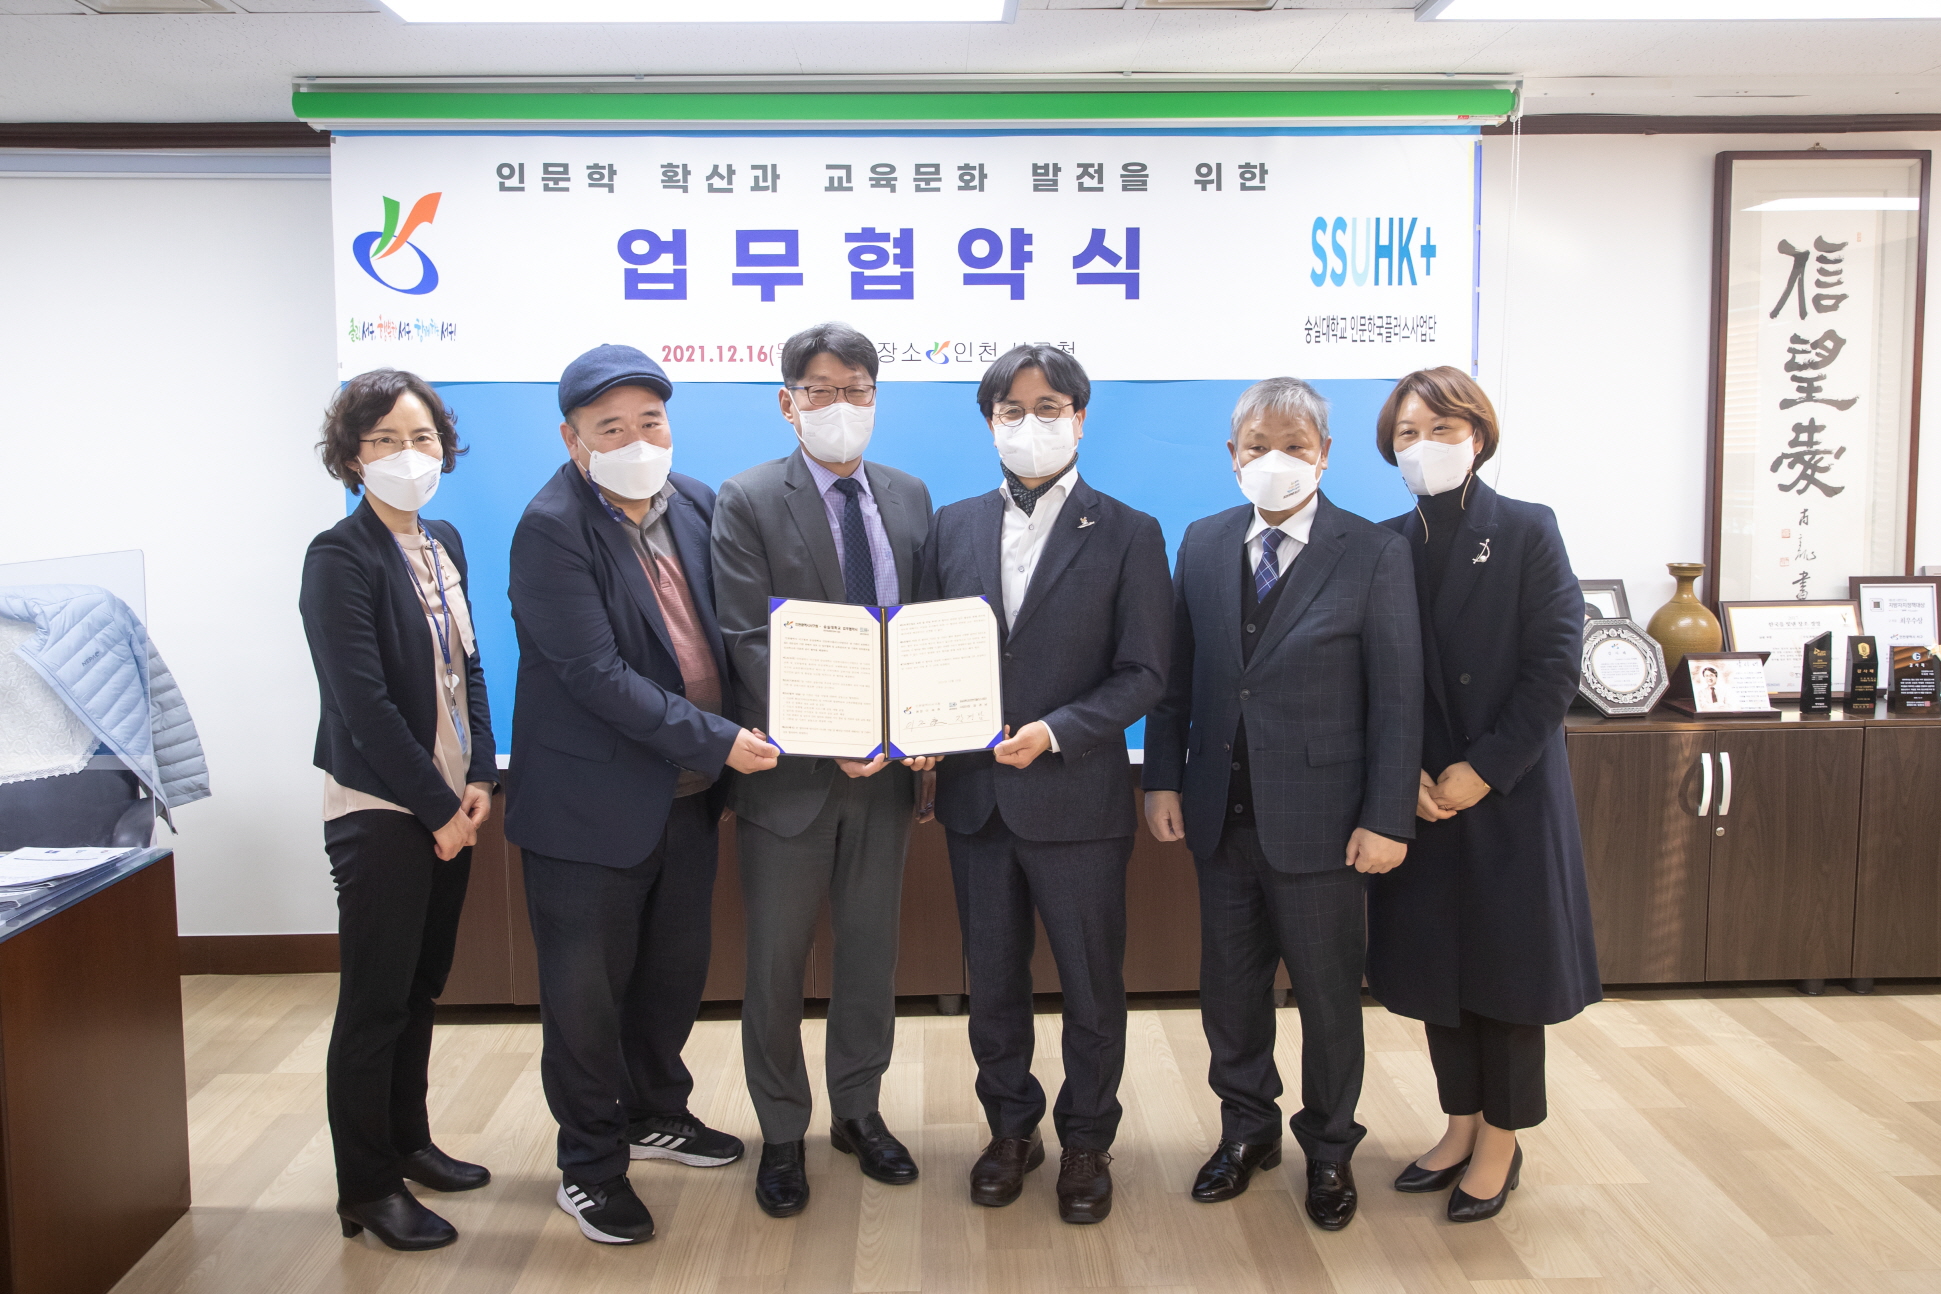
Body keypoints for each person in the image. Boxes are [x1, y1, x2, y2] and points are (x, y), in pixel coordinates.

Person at [506, 344, 781, 1246]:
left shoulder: (696, 502)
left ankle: (655, 1111)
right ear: (572, 438)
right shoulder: (550, 528)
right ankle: (589, 1167)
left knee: (670, 975)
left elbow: (737, 635)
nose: (636, 441)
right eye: (610, 428)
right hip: (587, 812)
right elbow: (594, 675)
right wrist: (721, 739)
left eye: (650, 422)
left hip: (687, 795)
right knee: (585, 999)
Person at [1143, 376, 1421, 1231]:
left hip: (1327, 825)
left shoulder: (1371, 552)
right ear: (1232, 455)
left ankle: (1329, 1148)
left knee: (1328, 999)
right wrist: (1161, 778)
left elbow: (1397, 699)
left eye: (1294, 446)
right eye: (1258, 446)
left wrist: (1386, 816)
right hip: (1219, 814)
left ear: (1324, 455)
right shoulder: (1202, 541)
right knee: (1229, 994)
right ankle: (1245, 1131)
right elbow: (1176, 679)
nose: (1276, 460)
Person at [918, 345, 1171, 1225]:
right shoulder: (950, 526)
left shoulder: (1130, 531)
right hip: (976, 799)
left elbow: (1145, 672)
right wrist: (917, 732)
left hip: (1077, 797)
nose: (1031, 424)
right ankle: (1009, 1130)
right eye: (1011, 410)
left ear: (1080, 418)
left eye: (1049, 407)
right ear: (989, 423)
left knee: (1092, 985)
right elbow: (923, 652)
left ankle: (1088, 1140)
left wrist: (1057, 731)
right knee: (991, 981)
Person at [1364, 366, 1600, 1223]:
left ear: (1477, 436)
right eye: (1406, 434)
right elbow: (1374, 672)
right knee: (1439, 972)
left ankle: (1501, 1140)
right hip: (1420, 795)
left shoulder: (1527, 529)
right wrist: (1406, 776)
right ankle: (1459, 1123)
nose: (1422, 446)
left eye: (1440, 429)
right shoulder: (1384, 543)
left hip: (1507, 794)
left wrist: (1483, 769)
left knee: (1506, 978)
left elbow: (1554, 666)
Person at [711, 322, 936, 1218]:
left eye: (857, 390)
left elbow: (926, 629)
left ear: (876, 398)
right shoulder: (747, 498)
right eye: (821, 390)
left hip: (887, 778)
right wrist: (832, 729)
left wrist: (926, 723)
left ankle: (857, 1111)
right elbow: (746, 638)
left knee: (870, 954)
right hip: (791, 778)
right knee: (775, 962)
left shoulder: (910, 496)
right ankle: (780, 1131)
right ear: (787, 402)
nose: (841, 405)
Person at [300, 368, 498, 1251]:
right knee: (375, 1003)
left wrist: (481, 777)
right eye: (383, 440)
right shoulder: (337, 558)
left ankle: (409, 1142)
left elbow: (470, 667)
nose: (406, 455)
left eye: (420, 438)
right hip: (382, 809)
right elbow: (363, 706)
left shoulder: (442, 541)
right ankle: (368, 1187)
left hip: (451, 801)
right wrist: (436, 808)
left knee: (421, 987)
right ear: (352, 456)